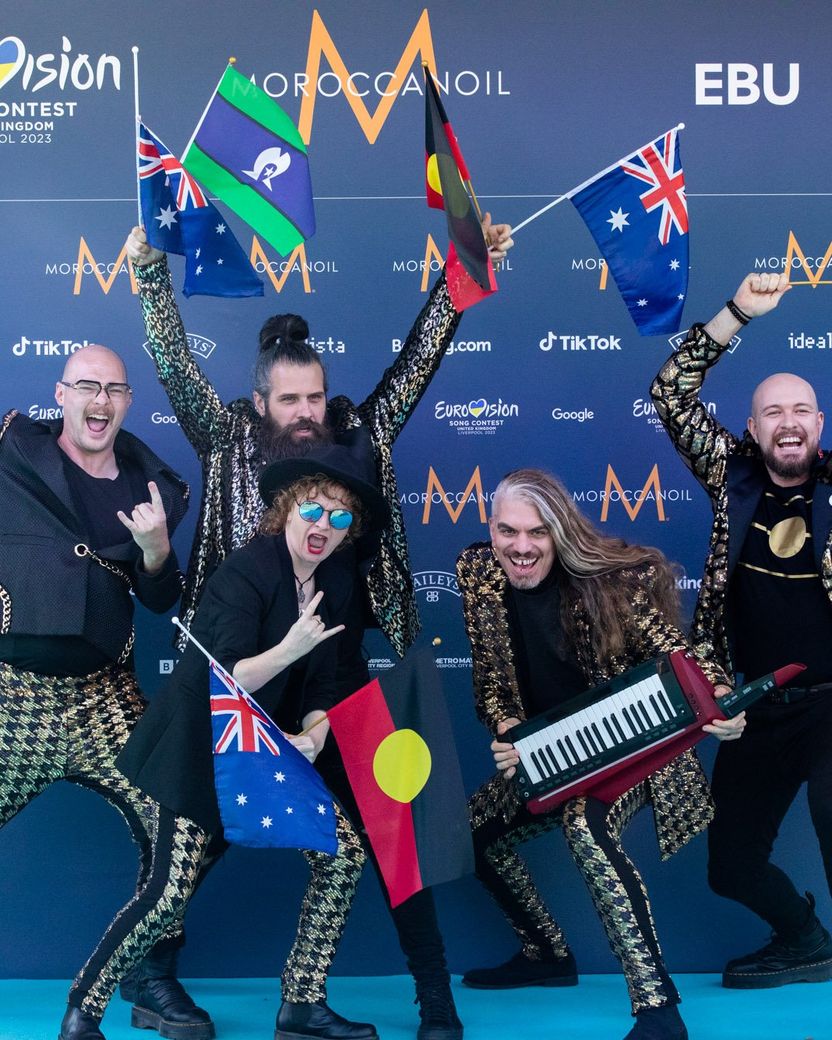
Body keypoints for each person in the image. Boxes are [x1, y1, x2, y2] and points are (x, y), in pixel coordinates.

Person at [121, 216, 512, 1040]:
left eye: (314, 397)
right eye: (288, 400)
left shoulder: (357, 440)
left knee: (390, 825)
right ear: (259, 401)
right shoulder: (224, 435)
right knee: (196, 837)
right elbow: (171, 361)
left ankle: (433, 1003)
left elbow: (416, 366)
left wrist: (460, 278)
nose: (305, 414)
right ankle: (149, 975)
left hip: (336, 673)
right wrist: (153, 277)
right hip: (242, 672)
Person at [66, 445, 390, 1040]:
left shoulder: (337, 580)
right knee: (167, 895)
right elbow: (231, 676)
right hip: (199, 743)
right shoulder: (245, 571)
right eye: (314, 510)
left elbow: (333, 677)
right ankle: (83, 1010)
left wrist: (316, 734)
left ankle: (301, 1002)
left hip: (267, 749)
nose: (324, 527)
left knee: (343, 857)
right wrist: (292, 646)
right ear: (288, 509)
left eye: (341, 519)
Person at [456, 468, 744, 1040]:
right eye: (506, 530)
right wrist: (507, 724)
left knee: (585, 827)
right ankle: (545, 954)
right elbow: (491, 679)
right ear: (490, 529)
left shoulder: (613, 582)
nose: (519, 548)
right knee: (476, 833)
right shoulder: (477, 571)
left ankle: (658, 1007)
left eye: (536, 533)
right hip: (552, 750)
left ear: (560, 532)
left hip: (631, 745)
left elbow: (678, 652)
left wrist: (721, 700)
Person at [0, 345, 193, 1040]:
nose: (100, 400)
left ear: (129, 401)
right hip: (11, 695)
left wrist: (155, 551)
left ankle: (153, 979)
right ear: (63, 393)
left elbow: (163, 599)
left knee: (178, 822)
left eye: (114, 388)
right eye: (87, 386)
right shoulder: (10, 453)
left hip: (102, 697)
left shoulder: (153, 488)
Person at [650, 272, 832, 990]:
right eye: (772, 413)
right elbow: (669, 395)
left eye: (803, 412)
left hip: (830, 701)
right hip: (754, 706)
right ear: (753, 429)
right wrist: (737, 315)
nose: (789, 423)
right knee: (729, 865)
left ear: (820, 425)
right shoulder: (734, 477)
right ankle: (806, 938)